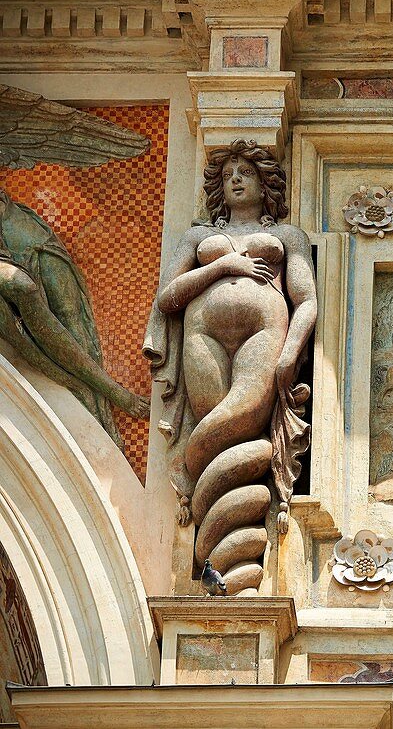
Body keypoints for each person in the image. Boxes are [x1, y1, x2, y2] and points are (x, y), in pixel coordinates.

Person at [144, 139, 317, 594]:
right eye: (227, 175)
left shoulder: (288, 236)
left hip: (264, 331)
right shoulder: (199, 237)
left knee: (242, 417)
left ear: (266, 181)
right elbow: (168, 297)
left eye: (245, 171)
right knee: (213, 428)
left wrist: (289, 353)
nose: (236, 179)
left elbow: (307, 301)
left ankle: (237, 583)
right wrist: (225, 268)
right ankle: (219, 568)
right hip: (202, 332)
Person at [0, 189, 148, 442]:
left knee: (72, 317)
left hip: (19, 229)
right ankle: (112, 391)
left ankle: (100, 418)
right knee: (22, 287)